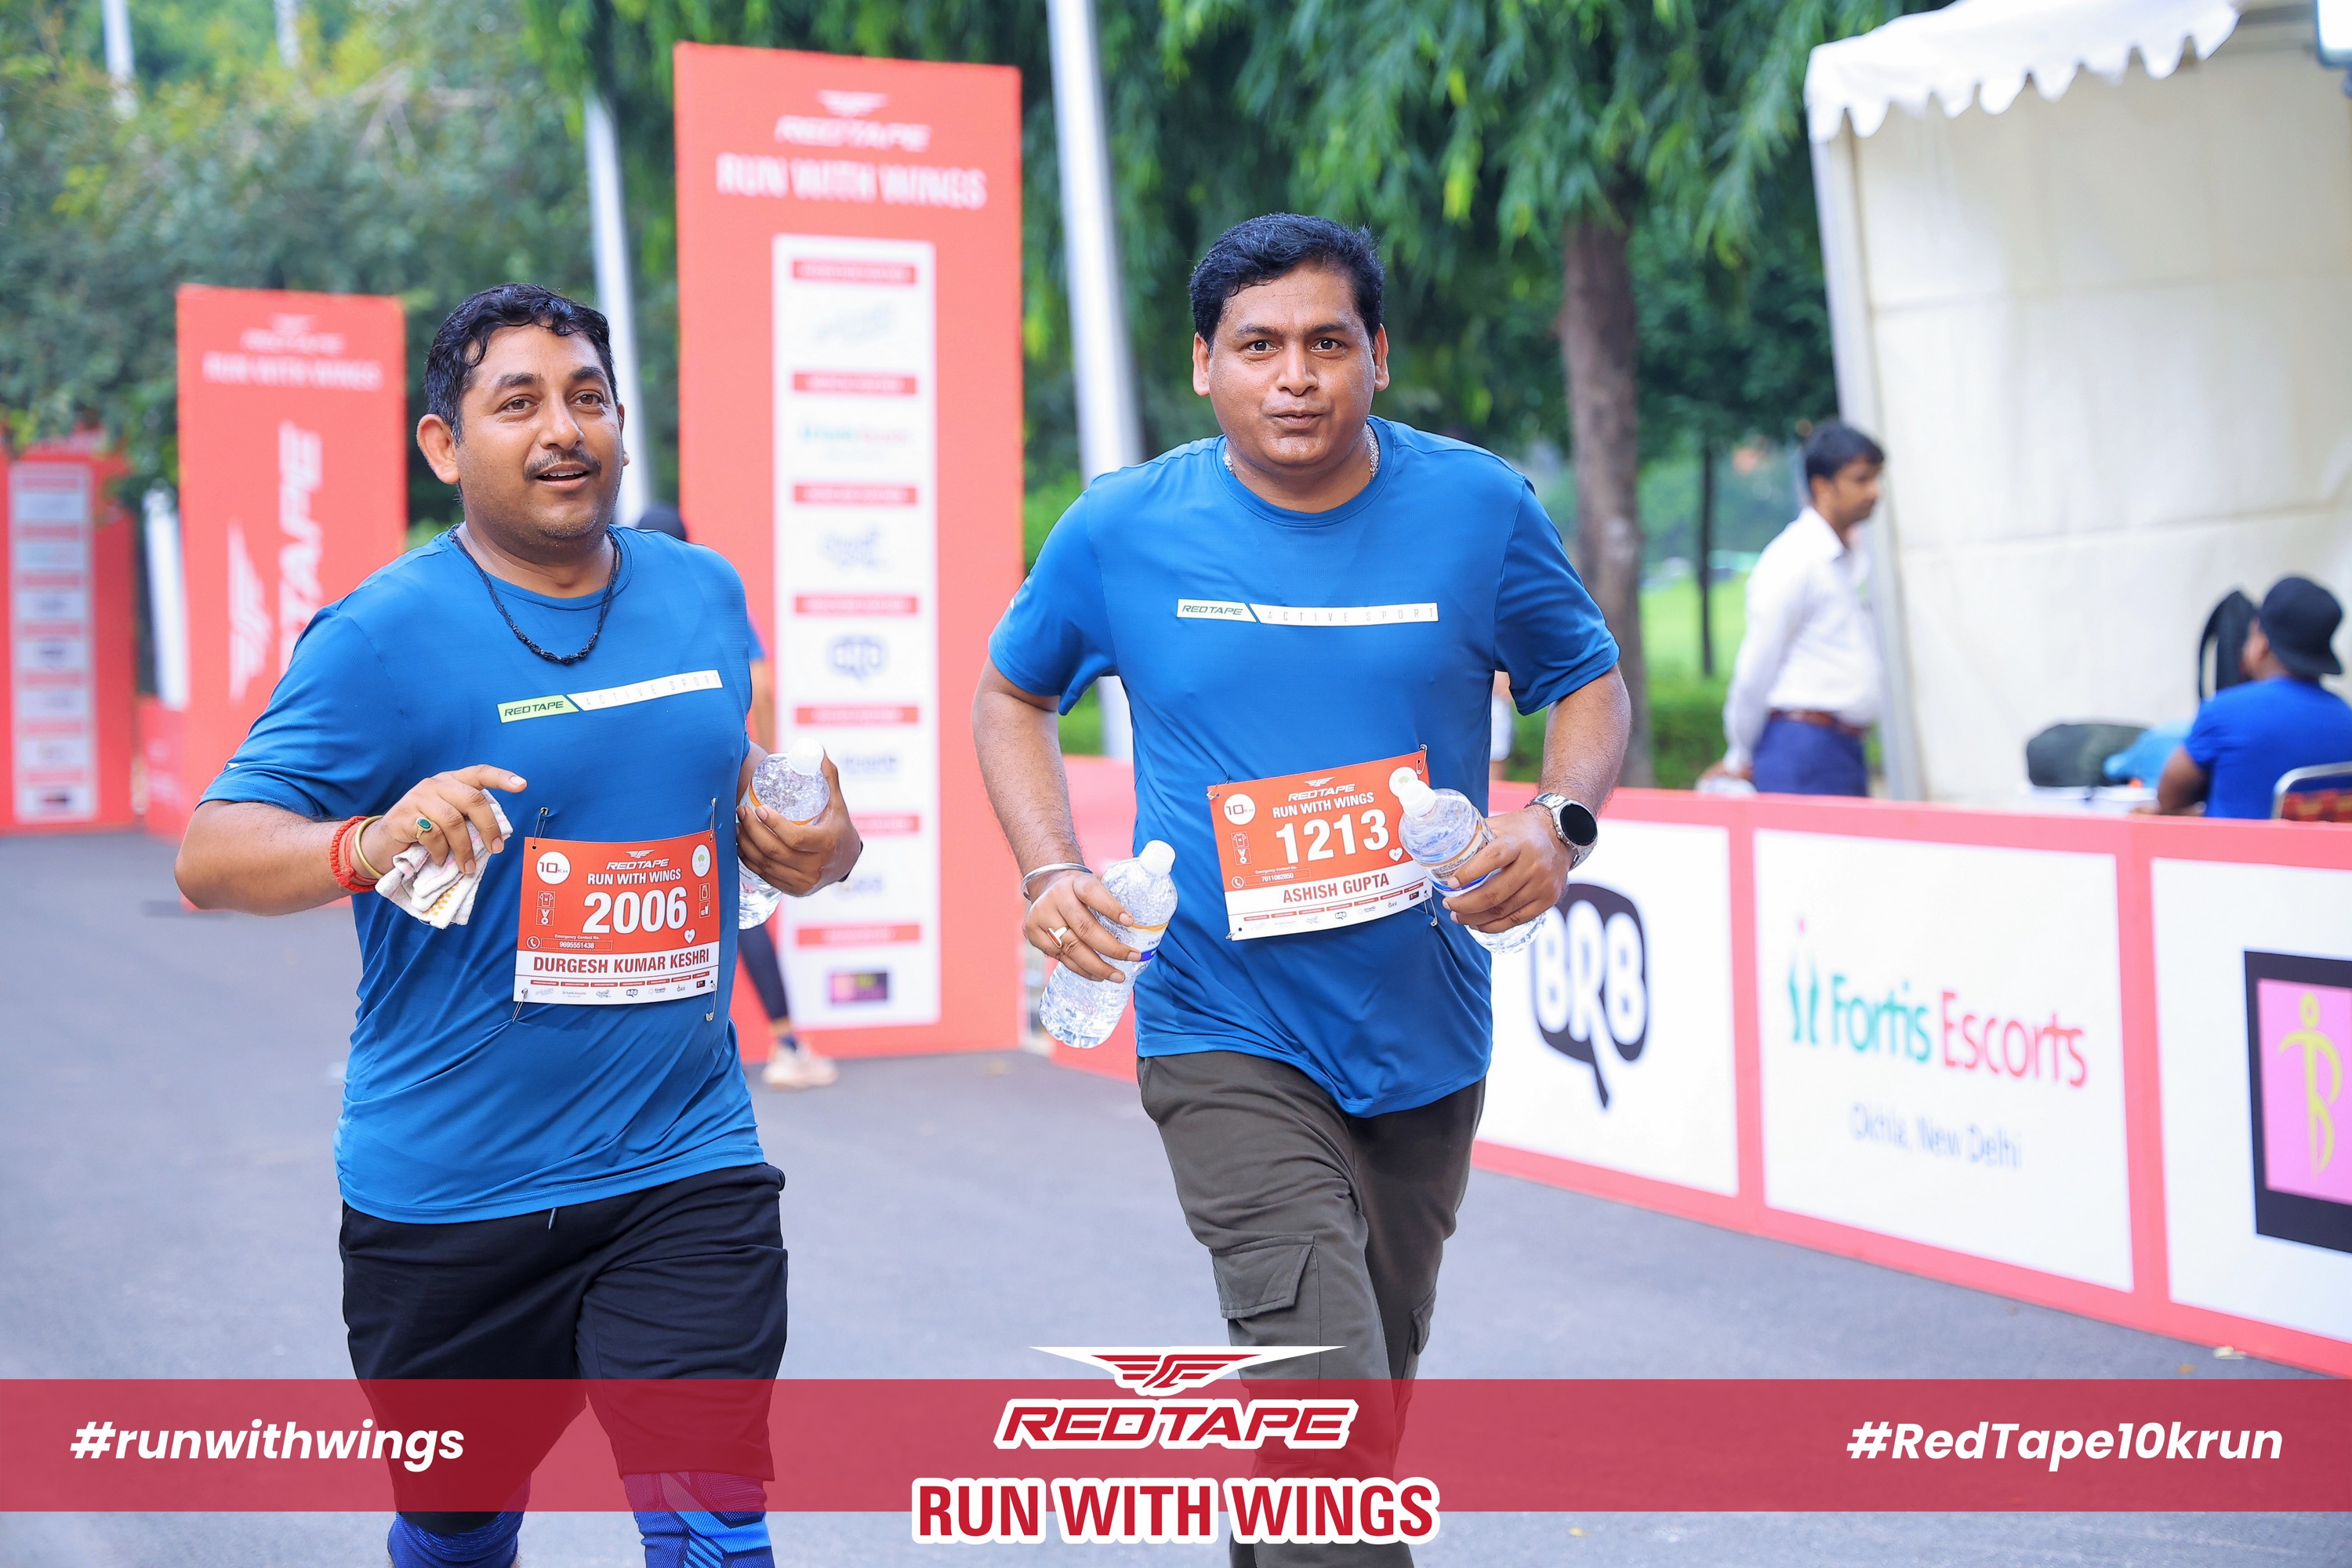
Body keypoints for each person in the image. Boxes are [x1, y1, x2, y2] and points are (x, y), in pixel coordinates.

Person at [973, 214, 1628, 1567]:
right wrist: (1050, 866)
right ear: (1202, 363)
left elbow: (1588, 680)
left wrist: (1557, 823)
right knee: (1328, 1426)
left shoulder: (1477, 509)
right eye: (1258, 346)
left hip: (1423, 1031)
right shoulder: (1123, 528)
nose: (1295, 377)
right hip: (1224, 1026)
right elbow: (1011, 693)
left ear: (1378, 356)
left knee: (1343, 1414)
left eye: (1328, 343)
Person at [173, 285, 861, 1568]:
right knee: (461, 1532)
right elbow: (211, 854)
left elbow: (743, 795)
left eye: (588, 397)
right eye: (519, 403)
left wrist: (827, 847)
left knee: (715, 1530)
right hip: (451, 1193)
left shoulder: (703, 594)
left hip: (682, 1160)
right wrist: (364, 843)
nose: (564, 429)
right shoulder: (380, 635)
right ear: (444, 445)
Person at [634, 503, 837, 1090]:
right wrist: (768, 768)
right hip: (712, 773)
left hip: (641, 780)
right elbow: (763, 687)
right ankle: (787, 1044)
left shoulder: (616, 604)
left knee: (641, 899)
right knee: (737, 904)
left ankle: (648, 1059)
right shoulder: (710, 596)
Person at [1702, 422, 1886, 797]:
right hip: (1803, 747)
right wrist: (1740, 752)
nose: (1874, 491)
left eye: (1876, 478)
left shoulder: (1846, 557)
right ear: (1822, 486)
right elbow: (1757, 665)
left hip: (1839, 748)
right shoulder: (1795, 558)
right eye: (1861, 479)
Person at [2153, 575, 2352, 818]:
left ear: (2262, 645)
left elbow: (2169, 799)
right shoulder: (2347, 718)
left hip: (2233, 845)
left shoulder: (2225, 710)